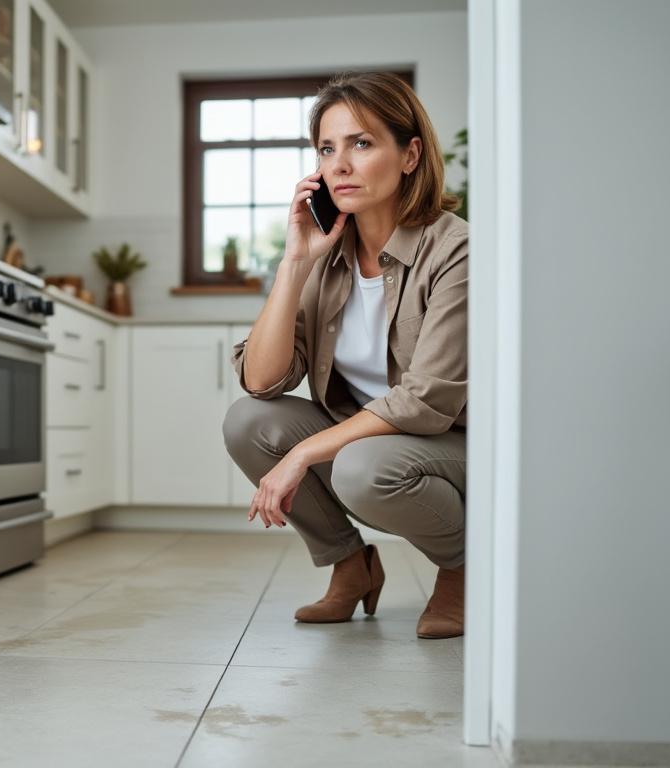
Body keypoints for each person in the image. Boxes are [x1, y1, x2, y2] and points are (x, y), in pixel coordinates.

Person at [223, 71, 468, 637]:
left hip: (448, 446)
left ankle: (461, 570)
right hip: (368, 445)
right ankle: (351, 568)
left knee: (361, 466)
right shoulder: (328, 255)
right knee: (249, 422)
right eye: (327, 149)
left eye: (361, 143)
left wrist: (303, 454)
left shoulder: (455, 249)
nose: (339, 165)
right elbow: (261, 382)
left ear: (409, 155)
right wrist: (295, 264)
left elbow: (425, 401)